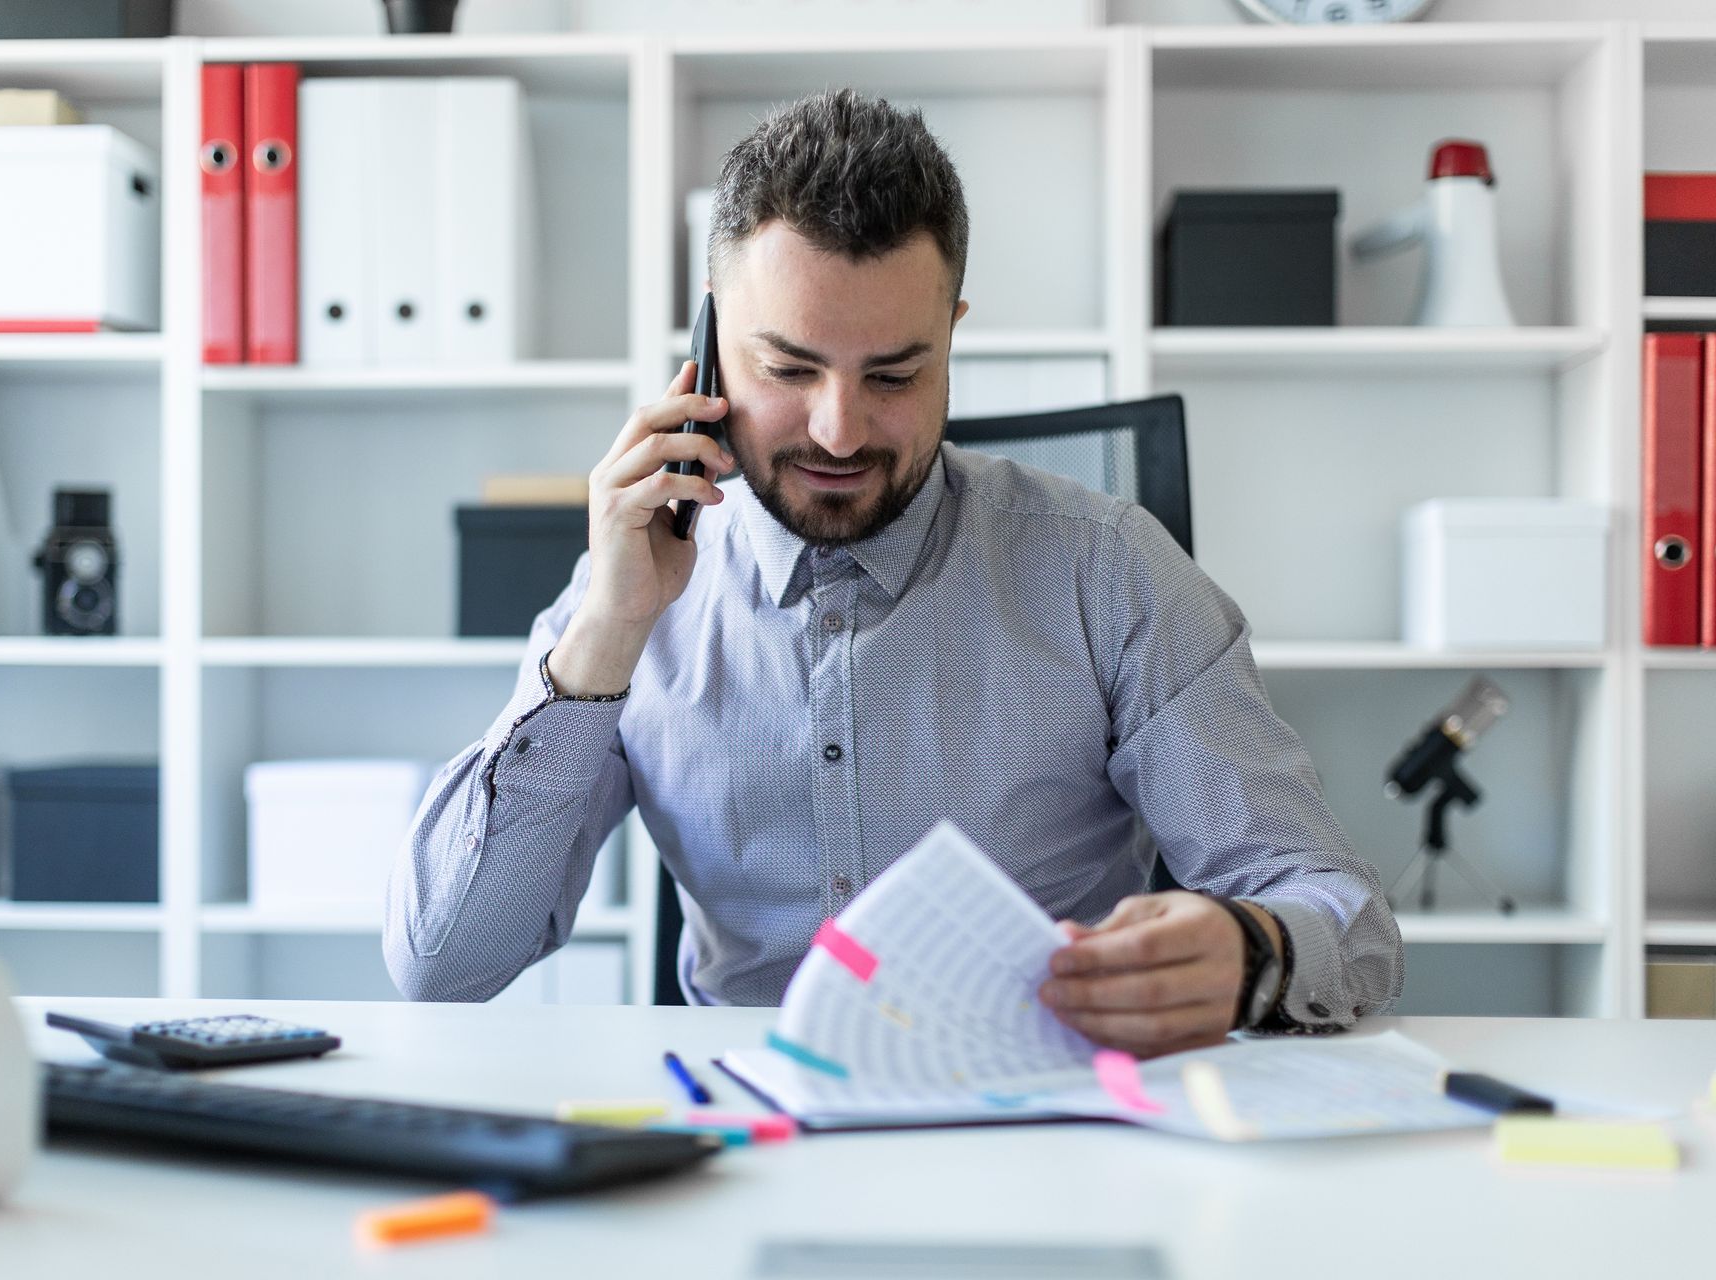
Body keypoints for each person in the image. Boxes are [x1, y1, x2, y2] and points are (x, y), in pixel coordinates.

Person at [385, 89, 1401, 1057]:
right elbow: (441, 963)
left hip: (1047, 1123)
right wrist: (606, 633)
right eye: (787, 368)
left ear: (954, 333)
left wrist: (1250, 950)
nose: (838, 428)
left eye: (894, 374)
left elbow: (1344, 920)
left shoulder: (1108, 572)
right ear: (705, 345)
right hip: (751, 1134)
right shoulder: (628, 588)